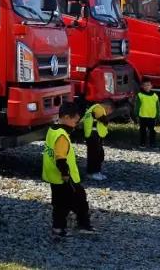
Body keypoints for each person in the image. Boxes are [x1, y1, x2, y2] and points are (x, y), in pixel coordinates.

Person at [43, 101, 94, 238]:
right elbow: (60, 158)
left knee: (59, 203)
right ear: (66, 117)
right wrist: (65, 173)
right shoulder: (61, 136)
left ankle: (58, 228)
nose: (76, 125)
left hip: (53, 176)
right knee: (78, 199)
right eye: (75, 121)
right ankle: (82, 224)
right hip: (64, 177)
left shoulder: (52, 130)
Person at [80, 101, 112, 180]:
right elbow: (101, 118)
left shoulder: (92, 108)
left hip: (93, 135)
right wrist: (106, 120)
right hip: (93, 135)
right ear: (108, 107)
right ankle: (92, 173)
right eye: (109, 112)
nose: (107, 113)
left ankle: (97, 171)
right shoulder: (98, 108)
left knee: (98, 154)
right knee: (94, 155)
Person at [135, 78, 160, 148]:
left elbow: (158, 106)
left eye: (148, 85)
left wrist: (158, 114)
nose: (147, 87)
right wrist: (136, 114)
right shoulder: (140, 95)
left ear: (151, 86)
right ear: (142, 86)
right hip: (142, 116)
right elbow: (137, 105)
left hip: (152, 117)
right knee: (142, 131)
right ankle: (142, 143)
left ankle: (152, 143)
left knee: (152, 131)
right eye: (145, 85)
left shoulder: (155, 96)